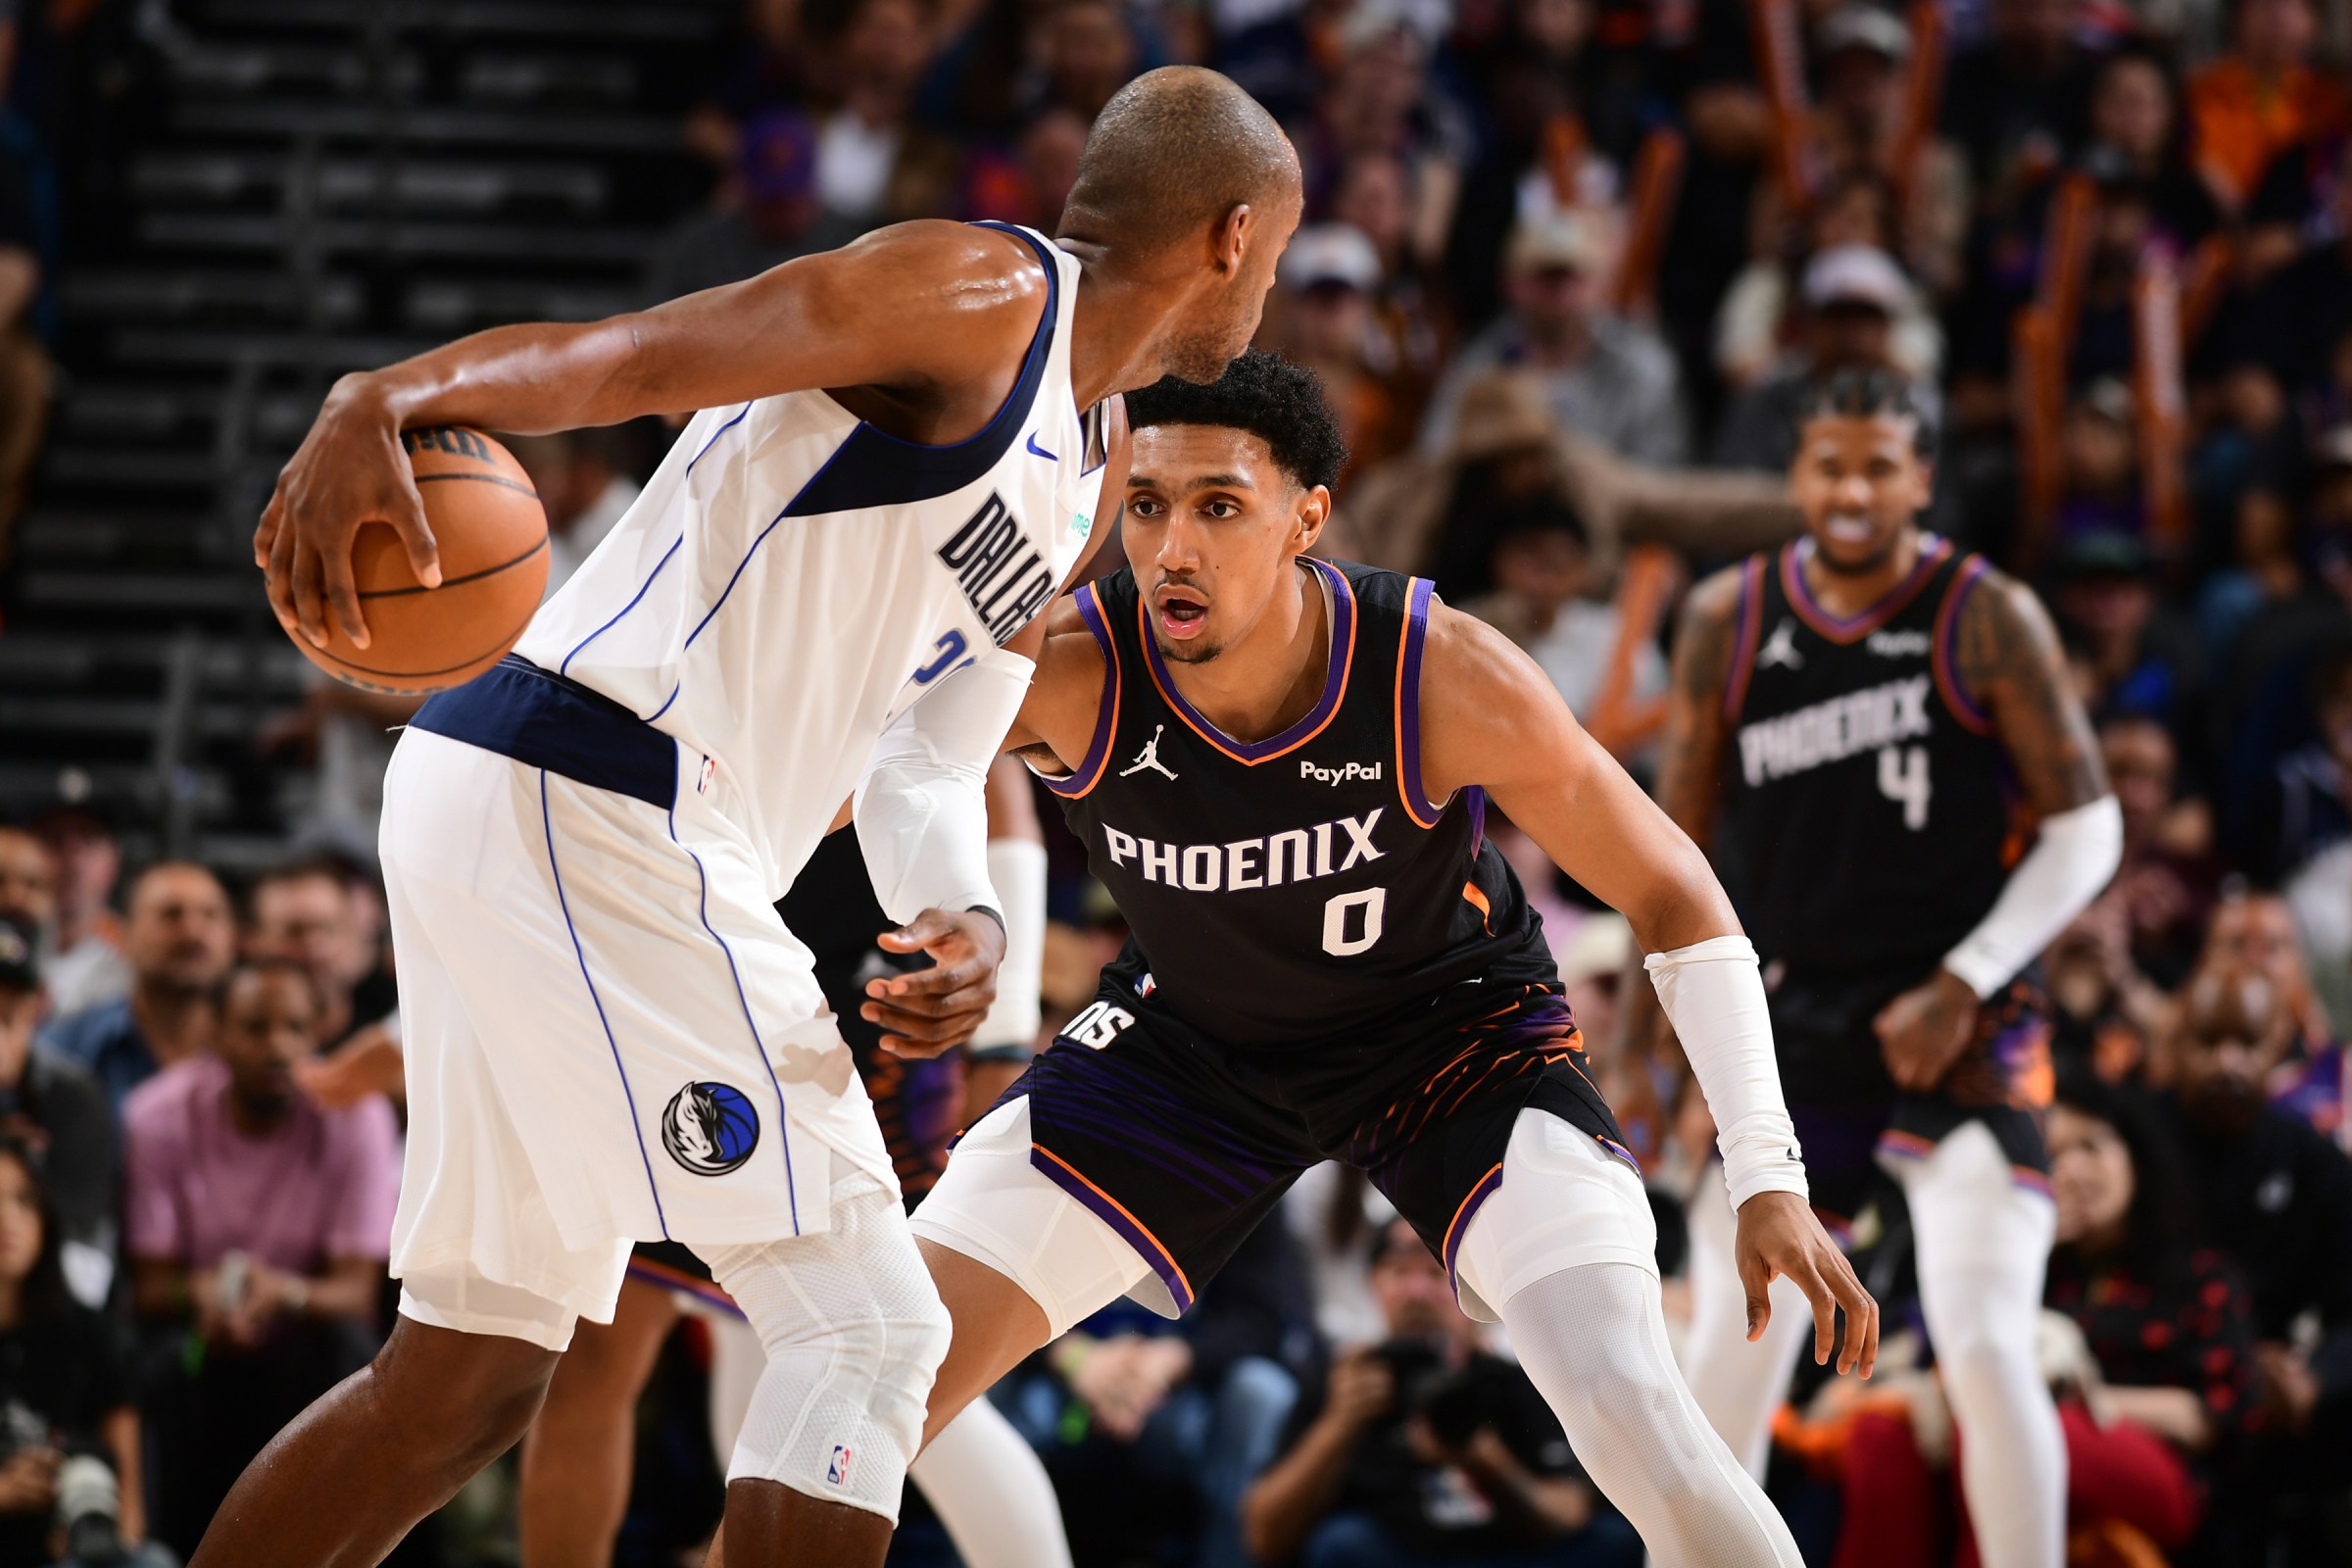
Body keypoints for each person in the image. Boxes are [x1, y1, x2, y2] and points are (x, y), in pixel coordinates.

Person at [219, 66, 1301, 1568]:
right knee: (870, 1330)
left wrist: (964, 915)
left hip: (545, 802)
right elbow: (647, 353)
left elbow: (931, 755)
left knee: (465, 1378)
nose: (1273, 286)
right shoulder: (981, 296)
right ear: (1237, 235)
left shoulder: (1095, 453)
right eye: (1280, 255)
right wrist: (391, 393)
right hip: (600, 784)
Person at [893, 350, 1874, 1568]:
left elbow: (1674, 891)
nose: (1174, 547)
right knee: (871, 1379)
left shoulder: (1439, 669)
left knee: (1634, 1408)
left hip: (1450, 1041)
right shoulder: (1070, 663)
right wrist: (950, 905)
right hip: (1189, 1044)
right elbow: (885, 765)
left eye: (1219, 506)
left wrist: (1767, 1172)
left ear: (1305, 517)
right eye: (1146, 504)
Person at [1646, 369, 2122, 1568]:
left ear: (1921, 479)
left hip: (1960, 1006)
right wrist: (1677, 1048)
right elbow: (1672, 847)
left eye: (1878, 467)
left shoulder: (1985, 612)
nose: (1852, 491)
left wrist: (1964, 980)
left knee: (1985, 1337)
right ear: (1797, 475)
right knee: (1727, 1354)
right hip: (1790, 1007)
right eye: (1830, 465)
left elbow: (2088, 825)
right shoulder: (1728, 618)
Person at [515, 786, 1063, 1568]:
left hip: (860, 981)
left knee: (880, 1359)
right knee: (620, 1357)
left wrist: (1004, 1042)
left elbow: (994, 784)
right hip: (692, 951)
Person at [1835, 1072, 2260, 1564]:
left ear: (2135, 1156)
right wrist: (2033, 1245)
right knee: (1883, 1433)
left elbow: (2207, 1417)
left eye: (2091, 1146)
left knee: (1998, 1419)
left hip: (2153, 1465)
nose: (2073, 1169)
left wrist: (2068, 1403)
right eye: (2054, 1155)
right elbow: (1949, 1345)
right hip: (2023, 1425)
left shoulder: (2197, 1275)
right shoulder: (2038, 1268)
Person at [124, 960, 401, 1554]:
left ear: (317, 1033)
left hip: (302, 1337)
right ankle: (162, 1551)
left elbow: (355, 1292)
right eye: (255, 1028)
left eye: (295, 1028)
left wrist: (282, 1294)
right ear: (217, 1035)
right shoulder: (156, 1115)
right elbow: (151, 1288)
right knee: (155, 1362)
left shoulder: (357, 1114)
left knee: (352, 1352)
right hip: (202, 1336)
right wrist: (196, 1294)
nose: (278, 1047)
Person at [1242, 1216, 1642, 1568]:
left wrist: (1485, 1461)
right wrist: (1338, 1425)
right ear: (1373, 1284)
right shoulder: (1347, 1383)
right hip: (1396, 1553)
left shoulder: (1515, 1382)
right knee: (1341, 1544)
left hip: (1507, 1552)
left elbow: (1568, 1513)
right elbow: (1264, 1539)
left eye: (1435, 1274)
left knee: (1616, 1540)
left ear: (1475, 1292)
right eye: (1399, 1271)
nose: (1416, 1292)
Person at [2158, 963, 2352, 1556]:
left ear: (2277, 1049)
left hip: (2280, 1389)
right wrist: (2232, 1363)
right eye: (2208, 1042)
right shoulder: (2135, 1142)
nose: (2227, 1063)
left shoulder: (2315, 1161)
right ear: (2175, 1044)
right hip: (2162, 1368)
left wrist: (2313, 1380)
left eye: (2246, 1043)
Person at [0, 1136, 172, 1568]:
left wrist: (93, 1534)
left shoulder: (94, 1336)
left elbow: (132, 1517)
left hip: (81, 1556)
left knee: (150, 1562)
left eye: (24, 1200)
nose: (8, 1219)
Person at [40, 864, 234, 1112]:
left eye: (211, 915)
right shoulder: (66, 1050)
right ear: (122, 935)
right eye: (171, 914)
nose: (193, 932)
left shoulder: (259, 1053)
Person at [0, 916, 115, 1309]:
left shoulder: (74, 1096)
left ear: (37, 1003)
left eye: (10, 1004)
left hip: (50, 1303)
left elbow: (84, 1257)